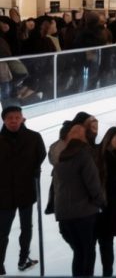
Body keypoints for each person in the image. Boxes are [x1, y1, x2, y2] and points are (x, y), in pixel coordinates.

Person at [53, 124, 105, 277]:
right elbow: (93, 184)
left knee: (79, 252)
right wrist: (100, 202)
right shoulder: (84, 156)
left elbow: (57, 186)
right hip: (84, 213)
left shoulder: (60, 158)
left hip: (64, 213)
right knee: (87, 252)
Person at [0, 106, 46, 274]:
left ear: (22, 118)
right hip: (4, 194)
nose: (14, 120)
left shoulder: (34, 137)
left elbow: (41, 155)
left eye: (17, 117)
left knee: (27, 228)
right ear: (4, 120)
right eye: (10, 118)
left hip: (26, 191)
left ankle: (23, 259)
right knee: (2, 231)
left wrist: (31, 169)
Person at [95, 127, 116, 277]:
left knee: (107, 243)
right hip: (102, 207)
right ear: (110, 140)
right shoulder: (104, 157)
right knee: (103, 242)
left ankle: (107, 273)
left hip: (113, 207)